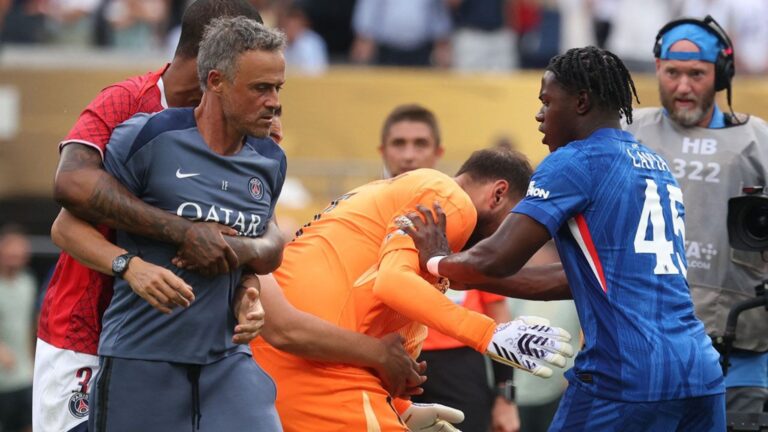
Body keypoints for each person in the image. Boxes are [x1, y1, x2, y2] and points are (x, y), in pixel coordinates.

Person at [37, 1, 420, 430]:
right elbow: (69, 192)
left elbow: (261, 246)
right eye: (261, 87)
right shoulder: (135, 116)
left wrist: (246, 286)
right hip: (91, 328)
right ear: (214, 68)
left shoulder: (261, 152)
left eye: (276, 88)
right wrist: (154, 251)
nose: (273, 106)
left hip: (211, 352)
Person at [402, 46, 726, 431]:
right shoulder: (656, 165)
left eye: (546, 102)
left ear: (581, 102)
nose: (539, 115)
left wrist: (437, 259)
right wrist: (466, 277)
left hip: (626, 373)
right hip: (700, 371)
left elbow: (497, 258)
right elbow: (574, 279)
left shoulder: (575, 161)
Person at [252, 147, 574, 432]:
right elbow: (392, 282)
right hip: (317, 368)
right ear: (498, 194)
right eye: (515, 226)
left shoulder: (408, 194)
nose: (513, 244)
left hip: (302, 360)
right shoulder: (453, 201)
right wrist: (488, 334)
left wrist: (399, 406)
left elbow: (365, 298)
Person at [624, 15, 768, 413]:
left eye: (696, 74)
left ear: (720, 74)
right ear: (657, 68)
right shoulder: (628, 132)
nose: (683, 86)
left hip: (739, 350)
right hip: (641, 346)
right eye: (673, 72)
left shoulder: (758, 141)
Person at [379, 104, 520, 432]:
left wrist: (506, 396)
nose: (409, 155)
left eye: (420, 143)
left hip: (460, 365)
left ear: (438, 152)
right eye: (399, 143)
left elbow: (498, 313)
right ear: (383, 151)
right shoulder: (370, 213)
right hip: (389, 360)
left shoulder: (468, 221)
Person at [0, 225, 35, 432]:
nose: (16, 254)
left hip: (24, 375)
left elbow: (30, 325)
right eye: (11, 249)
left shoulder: (27, 283)